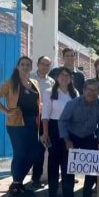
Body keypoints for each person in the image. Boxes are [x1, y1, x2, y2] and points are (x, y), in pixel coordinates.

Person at [0, 56, 42, 197]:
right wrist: (6, 111)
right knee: (20, 154)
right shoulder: (11, 83)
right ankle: (17, 186)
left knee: (35, 152)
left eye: (28, 65)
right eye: (22, 64)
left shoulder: (34, 82)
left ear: (31, 68)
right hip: (17, 124)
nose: (25, 67)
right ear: (18, 67)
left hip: (32, 124)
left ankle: (17, 182)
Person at [58, 79, 99, 197]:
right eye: (89, 90)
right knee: (68, 169)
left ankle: (87, 196)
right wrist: (66, 140)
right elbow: (63, 121)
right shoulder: (72, 104)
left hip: (89, 137)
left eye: (95, 90)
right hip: (72, 137)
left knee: (92, 167)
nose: (91, 93)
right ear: (84, 90)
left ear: (98, 92)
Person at [41, 67, 78, 197]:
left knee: (68, 160)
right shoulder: (49, 92)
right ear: (57, 78)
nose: (64, 78)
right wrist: (45, 133)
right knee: (53, 160)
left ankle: (68, 190)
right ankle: (53, 190)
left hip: (70, 129)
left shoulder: (75, 93)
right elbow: (45, 114)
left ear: (70, 79)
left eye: (67, 76)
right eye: (62, 75)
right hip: (54, 128)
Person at [29, 55, 55, 189]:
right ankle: (35, 178)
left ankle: (53, 177)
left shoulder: (51, 82)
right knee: (37, 150)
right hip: (33, 118)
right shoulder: (30, 78)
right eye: (43, 64)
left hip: (47, 119)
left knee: (50, 149)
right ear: (38, 64)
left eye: (48, 65)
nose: (45, 67)